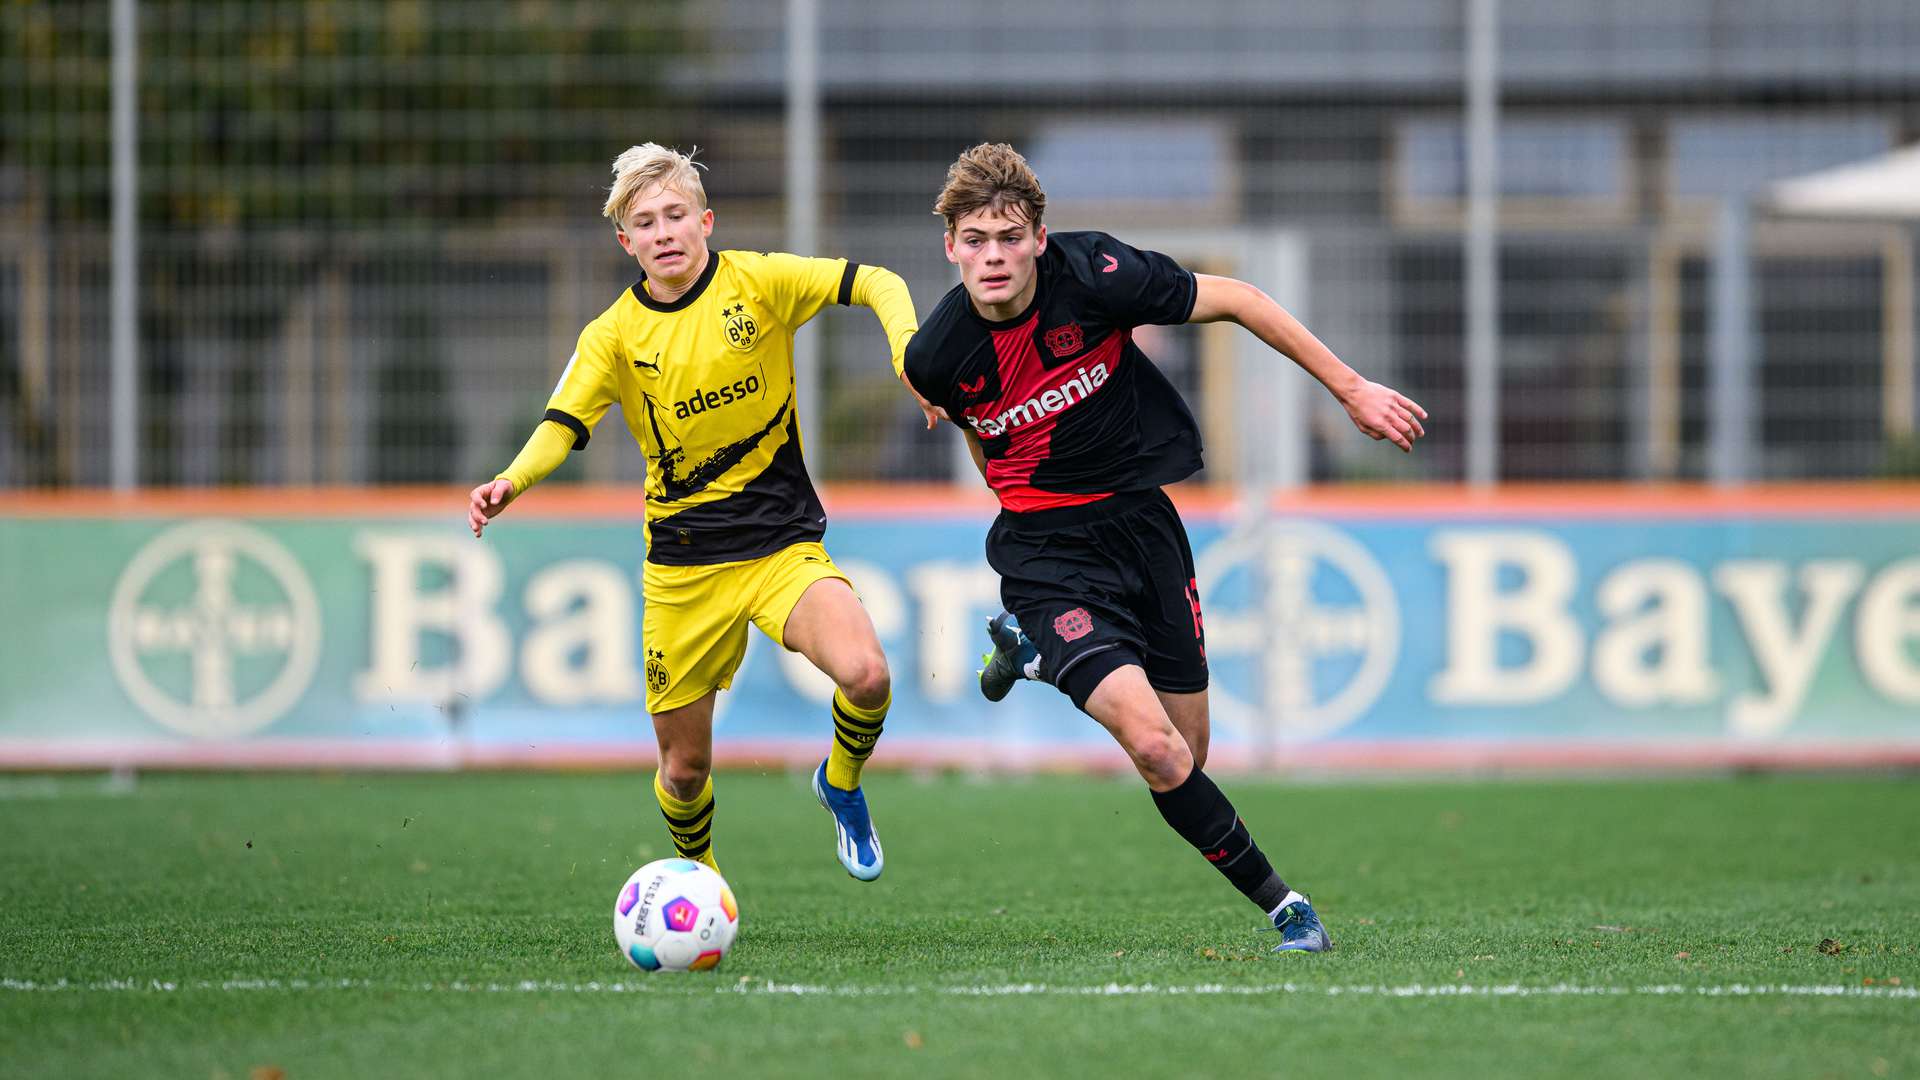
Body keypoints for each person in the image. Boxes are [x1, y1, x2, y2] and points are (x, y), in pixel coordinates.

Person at [902, 143, 1427, 952]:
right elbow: (984, 442)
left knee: (1188, 751)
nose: (994, 257)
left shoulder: (1100, 273)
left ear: (1040, 239)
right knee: (1151, 746)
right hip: (1045, 558)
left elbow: (1243, 300)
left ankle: (1030, 655)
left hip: (1144, 530)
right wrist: (1028, 519)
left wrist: (1350, 388)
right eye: (975, 240)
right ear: (951, 247)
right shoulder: (936, 356)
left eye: (1009, 237)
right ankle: (1287, 907)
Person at [470, 144, 926, 882]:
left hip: (781, 550)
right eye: (645, 223)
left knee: (868, 675)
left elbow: (875, 279)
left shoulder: (759, 282)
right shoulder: (613, 335)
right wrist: (511, 480)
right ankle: (700, 878)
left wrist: (908, 355)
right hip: (683, 572)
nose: (664, 232)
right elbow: (562, 422)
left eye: (676, 214)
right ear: (627, 242)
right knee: (684, 770)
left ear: (705, 220)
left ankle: (840, 782)